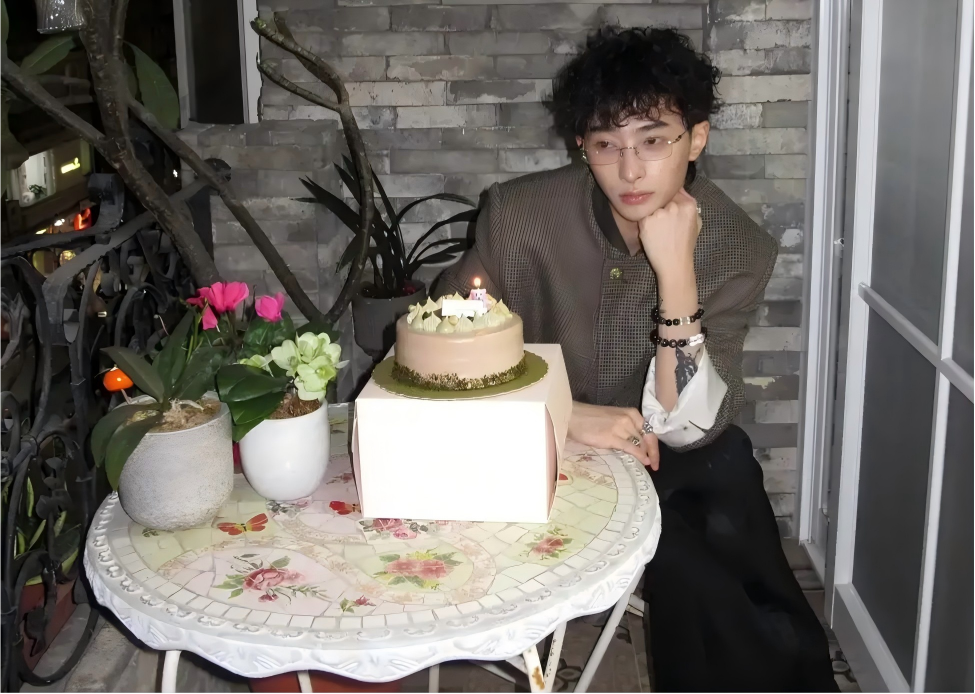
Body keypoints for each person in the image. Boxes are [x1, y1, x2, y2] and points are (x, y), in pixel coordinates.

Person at [438, 26, 839, 693]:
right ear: (582, 147)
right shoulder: (519, 215)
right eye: (606, 145)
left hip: (657, 450)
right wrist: (561, 413)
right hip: (524, 441)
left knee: (720, 469)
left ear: (696, 139)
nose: (629, 172)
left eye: (653, 142)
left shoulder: (737, 247)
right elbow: (436, 351)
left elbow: (689, 428)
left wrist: (677, 273)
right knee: (687, 541)